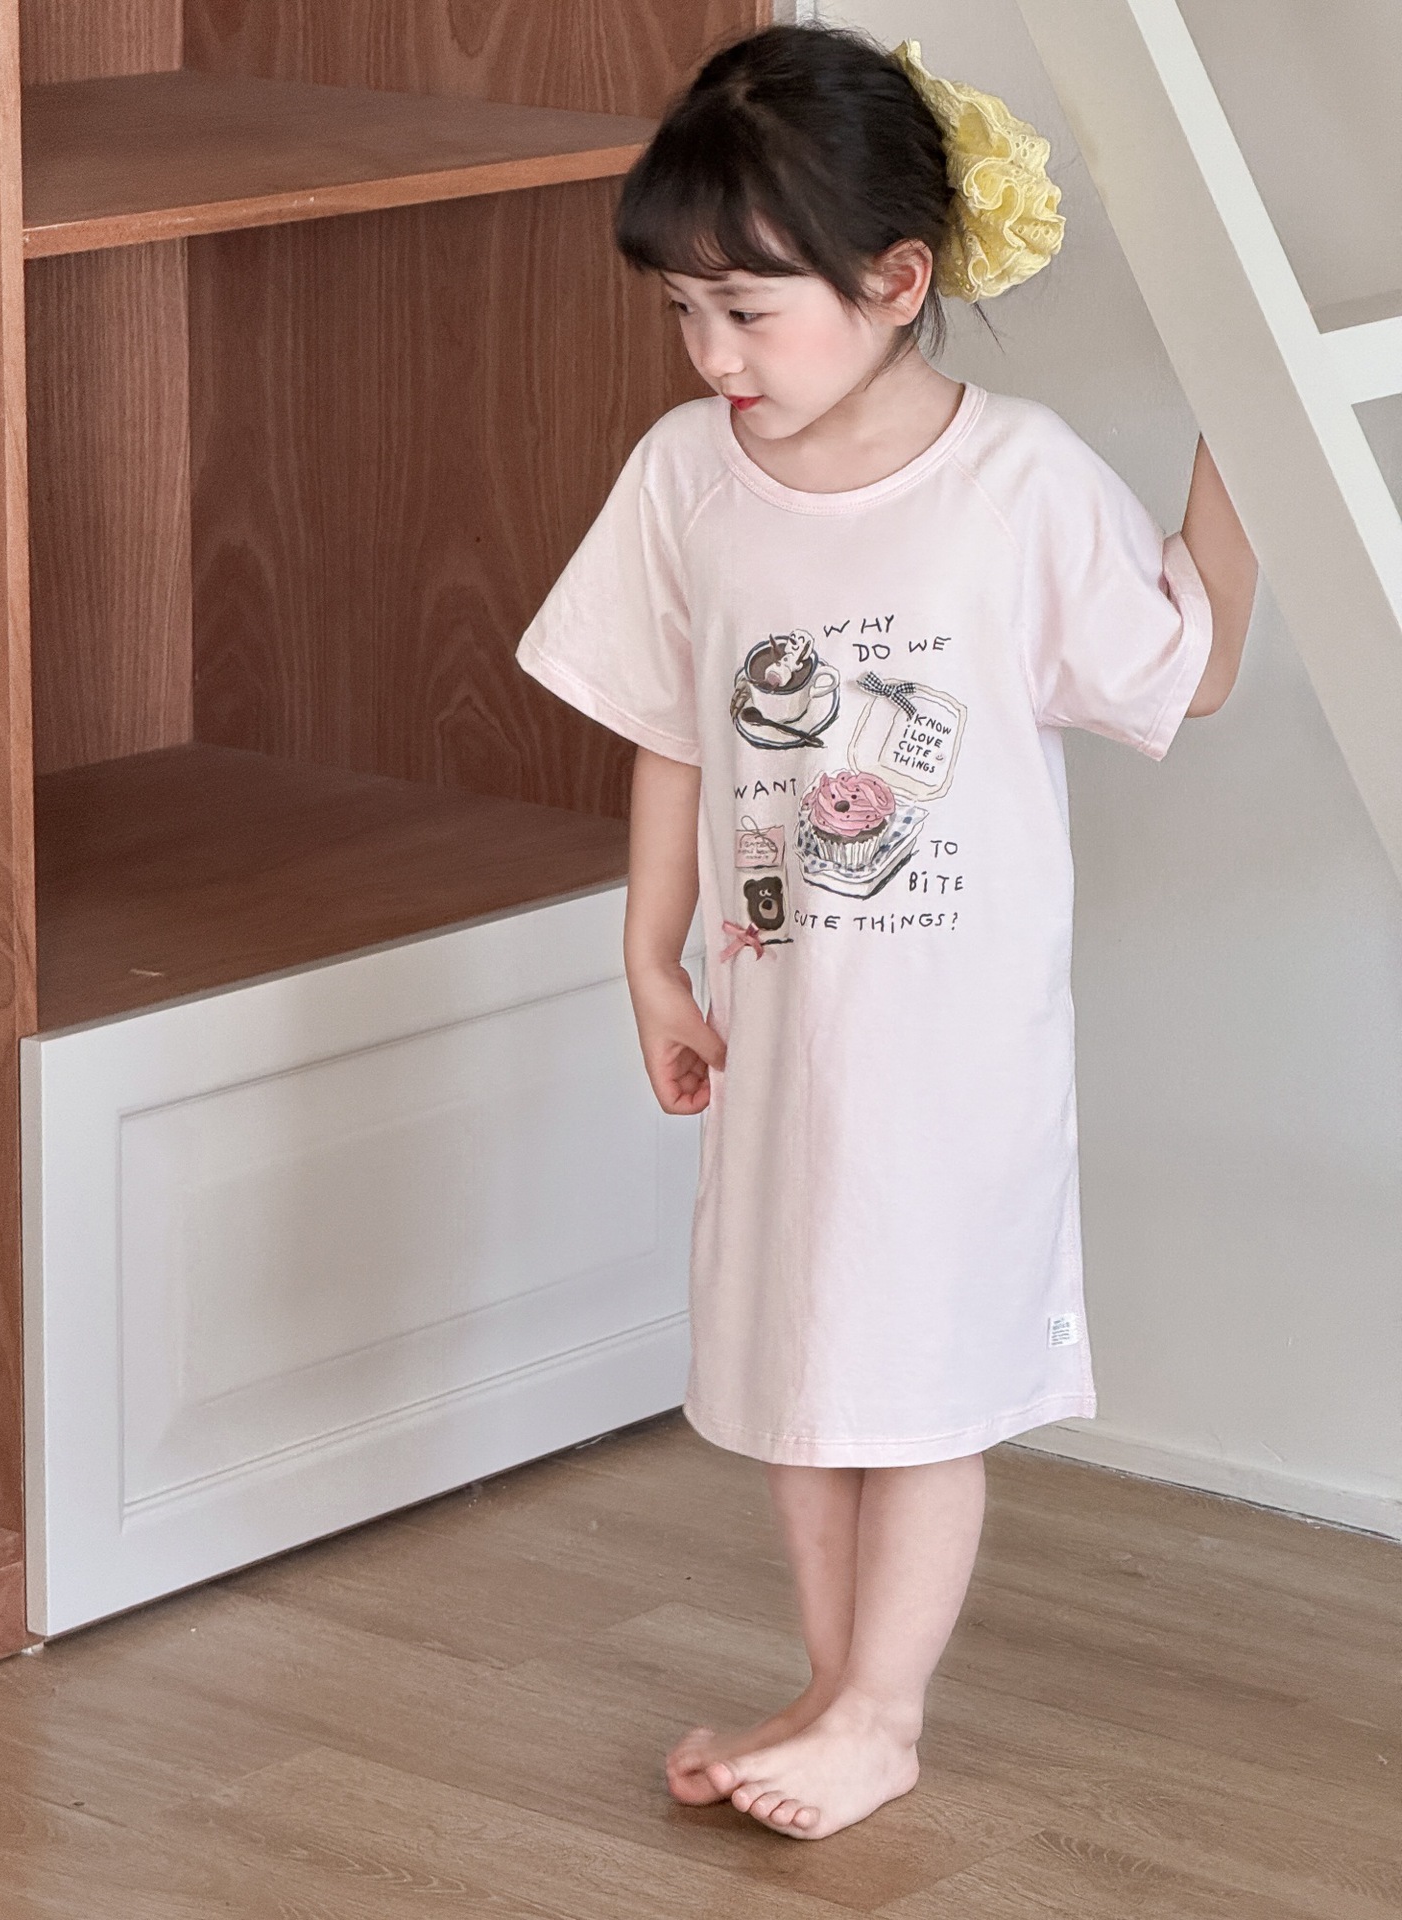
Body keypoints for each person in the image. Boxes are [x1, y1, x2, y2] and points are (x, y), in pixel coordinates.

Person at [514, 21, 1256, 1841]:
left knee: (919, 1383)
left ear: (896, 281)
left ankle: (885, 1712)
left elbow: (1187, 666)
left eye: (748, 312)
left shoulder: (1017, 483)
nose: (712, 355)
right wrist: (649, 957)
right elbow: (674, 727)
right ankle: (835, 1692)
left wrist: (1247, 428)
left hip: (954, 1051)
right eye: (684, 311)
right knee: (798, 1372)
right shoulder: (688, 478)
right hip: (778, 1031)